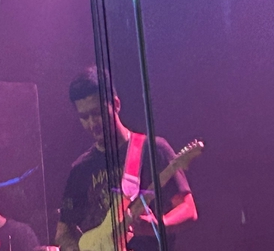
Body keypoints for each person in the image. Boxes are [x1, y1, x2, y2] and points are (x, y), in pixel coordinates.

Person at [55, 69, 196, 251]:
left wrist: (156, 225)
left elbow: (188, 209)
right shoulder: (80, 170)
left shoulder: (153, 150)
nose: (92, 123)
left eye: (97, 113)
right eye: (84, 117)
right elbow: (63, 232)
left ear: (116, 104)